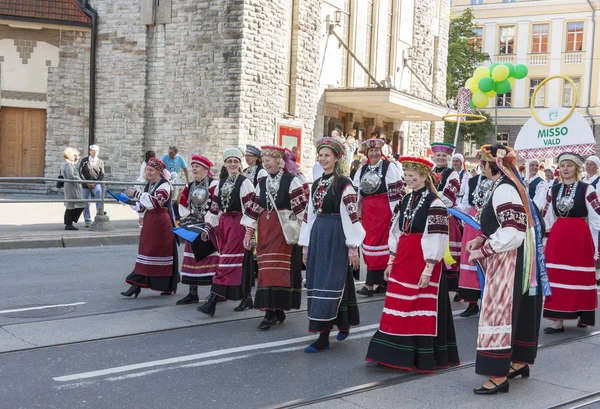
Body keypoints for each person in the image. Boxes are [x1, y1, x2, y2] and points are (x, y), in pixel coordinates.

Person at [365, 155, 459, 372]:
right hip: (403, 259)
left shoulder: (435, 203)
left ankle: (416, 357)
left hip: (422, 259)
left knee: (417, 306)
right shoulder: (405, 200)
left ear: (425, 177)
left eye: (412, 177)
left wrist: (429, 268)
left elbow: (436, 237)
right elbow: (396, 231)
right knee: (396, 305)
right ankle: (391, 353)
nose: (408, 180)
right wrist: (391, 260)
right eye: (406, 176)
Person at [467, 144, 542, 395]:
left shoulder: (505, 189)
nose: (481, 167)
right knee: (518, 309)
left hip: (506, 259)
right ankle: (518, 362)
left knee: (499, 313)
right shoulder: (507, 186)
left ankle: (498, 375)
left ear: (492, 165)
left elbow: (512, 231)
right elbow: (503, 224)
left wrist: (485, 249)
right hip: (514, 258)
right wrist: (481, 238)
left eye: (482, 163)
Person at [299, 137, 365, 352]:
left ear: (337, 158)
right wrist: (306, 245)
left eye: (327, 155)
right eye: (320, 155)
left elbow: (351, 215)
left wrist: (353, 247)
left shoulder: (344, 183)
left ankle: (323, 336)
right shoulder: (317, 183)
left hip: (336, 234)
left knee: (332, 280)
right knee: (323, 280)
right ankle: (342, 322)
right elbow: (309, 215)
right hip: (319, 234)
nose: (323, 159)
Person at [241, 145, 308, 330]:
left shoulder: (291, 180)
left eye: (268, 159)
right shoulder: (261, 182)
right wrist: (248, 233)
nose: (265, 163)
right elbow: (253, 209)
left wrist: (306, 240)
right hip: (264, 230)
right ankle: (276, 310)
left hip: (282, 231)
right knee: (264, 269)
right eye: (264, 160)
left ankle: (270, 312)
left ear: (278, 161)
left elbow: (303, 211)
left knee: (277, 270)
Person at [543, 152, 600, 333]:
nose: (565, 169)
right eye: (563, 165)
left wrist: (595, 244)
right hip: (558, 238)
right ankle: (557, 320)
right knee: (556, 277)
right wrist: (543, 238)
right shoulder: (553, 189)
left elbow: (596, 216)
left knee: (579, 277)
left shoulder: (587, 189)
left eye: (569, 165)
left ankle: (583, 314)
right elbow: (547, 216)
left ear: (577, 168)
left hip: (579, 237)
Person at [197, 148, 256, 317]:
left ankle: (212, 301)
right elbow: (215, 208)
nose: (232, 164)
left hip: (239, 224)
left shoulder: (245, 183)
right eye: (229, 161)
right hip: (225, 225)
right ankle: (246, 297)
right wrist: (207, 227)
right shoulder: (220, 183)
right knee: (237, 262)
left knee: (228, 261)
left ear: (240, 163)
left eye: (236, 161)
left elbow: (250, 207)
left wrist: (249, 231)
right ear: (224, 163)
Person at [353, 138, 405, 297]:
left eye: (377, 151)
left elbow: (395, 192)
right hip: (369, 213)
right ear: (367, 153)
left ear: (381, 152)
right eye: (371, 151)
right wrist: (356, 213)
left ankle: (371, 284)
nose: (374, 153)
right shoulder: (362, 170)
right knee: (369, 243)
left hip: (384, 212)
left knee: (383, 243)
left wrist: (396, 214)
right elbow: (356, 194)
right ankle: (381, 282)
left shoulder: (390, 167)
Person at [121, 158, 178, 297]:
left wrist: (136, 194)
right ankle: (137, 284)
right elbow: (144, 205)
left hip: (161, 224)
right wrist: (129, 201)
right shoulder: (150, 185)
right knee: (146, 252)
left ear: (159, 172)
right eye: (147, 169)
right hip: (151, 222)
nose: (148, 172)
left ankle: (164, 285)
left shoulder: (165, 185)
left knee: (158, 252)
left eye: (151, 170)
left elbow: (156, 203)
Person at [175, 155, 220, 305]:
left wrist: (206, 225)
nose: (193, 168)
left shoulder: (214, 185)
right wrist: (189, 221)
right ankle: (192, 293)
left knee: (212, 258)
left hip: (210, 226)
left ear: (206, 170)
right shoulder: (190, 185)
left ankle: (216, 293)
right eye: (192, 166)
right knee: (191, 257)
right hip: (194, 225)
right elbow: (183, 203)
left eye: (197, 166)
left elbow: (216, 206)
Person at [456, 162, 491, 317]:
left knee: (487, 258)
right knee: (470, 258)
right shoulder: (472, 180)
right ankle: (472, 303)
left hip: (489, 219)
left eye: (487, 163)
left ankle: (488, 302)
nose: (484, 166)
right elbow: (465, 203)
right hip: (472, 221)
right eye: (482, 163)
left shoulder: (499, 181)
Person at [430, 142, 462, 294]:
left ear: (448, 158)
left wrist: (433, 197)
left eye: (444, 156)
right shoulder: (429, 172)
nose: (441, 158)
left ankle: (451, 287)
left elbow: (449, 198)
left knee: (448, 254)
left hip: (447, 215)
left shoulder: (453, 174)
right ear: (434, 157)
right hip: (431, 214)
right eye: (438, 155)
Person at [78, 144, 105, 227]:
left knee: (99, 193)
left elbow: (102, 174)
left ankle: (99, 213)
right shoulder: (84, 161)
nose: (94, 153)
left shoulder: (100, 162)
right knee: (86, 202)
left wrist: (95, 183)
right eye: (93, 151)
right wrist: (86, 182)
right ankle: (87, 220)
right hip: (86, 184)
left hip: (95, 183)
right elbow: (80, 172)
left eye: (96, 151)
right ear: (90, 151)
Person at [161, 146, 190, 222]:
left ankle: (173, 216)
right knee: (165, 197)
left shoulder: (180, 158)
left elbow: (185, 169)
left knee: (174, 199)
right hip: (165, 180)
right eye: (169, 152)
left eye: (171, 153)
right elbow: (159, 166)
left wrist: (188, 180)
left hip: (174, 181)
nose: (169, 154)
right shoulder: (165, 157)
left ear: (176, 153)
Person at [583, 155, 600, 284]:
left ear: (597, 167)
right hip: (582, 217)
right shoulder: (581, 181)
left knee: (595, 244)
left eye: (592, 164)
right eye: (587, 164)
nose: (589, 166)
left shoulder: (598, 182)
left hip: (594, 217)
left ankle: (597, 274)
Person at [61, 147, 85, 231]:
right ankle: (69, 223)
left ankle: (69, 222)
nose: (76, 157)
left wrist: (76, 160)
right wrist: (79, 179)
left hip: (72, 186)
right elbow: (70, 176)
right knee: (74, 204)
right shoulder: (68, 164)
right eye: (75, 155)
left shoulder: (68, 163)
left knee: (71, 204)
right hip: (72, 187)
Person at [136, 150, 156, 228]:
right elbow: (143, 175)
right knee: (142, 203)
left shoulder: (152, 164)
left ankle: (144, 220)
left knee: (147, 203)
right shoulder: (144, 164)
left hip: (148, 184)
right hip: (142, 184)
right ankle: (141, 220)